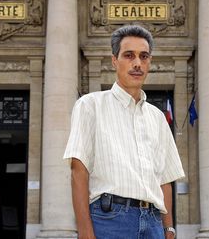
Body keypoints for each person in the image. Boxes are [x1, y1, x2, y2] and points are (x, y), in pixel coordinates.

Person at [64, 25, 185, 239]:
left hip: (153, 222)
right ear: (114, 60)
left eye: (144, 56)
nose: (137, 63)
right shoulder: (90, 105)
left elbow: (164, 179)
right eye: (129, 55)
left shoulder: (157, 117)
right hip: (110, 220)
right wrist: (85, 232)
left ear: (149, 62)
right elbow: (78, 170)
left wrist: (169, 229)